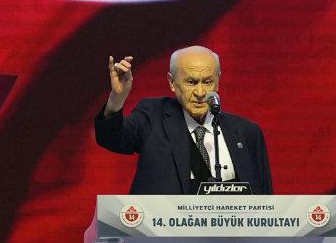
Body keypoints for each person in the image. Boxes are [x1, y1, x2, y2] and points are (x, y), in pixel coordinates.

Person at [94, 45, 272, 195]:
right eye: (191, 82)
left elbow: (265, 202)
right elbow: (112, 138)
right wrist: (116, 99)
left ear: (218, 82)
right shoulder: (153, 117)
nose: (200, 93)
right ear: (172, 82)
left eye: (207, 82)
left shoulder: (246, 132)